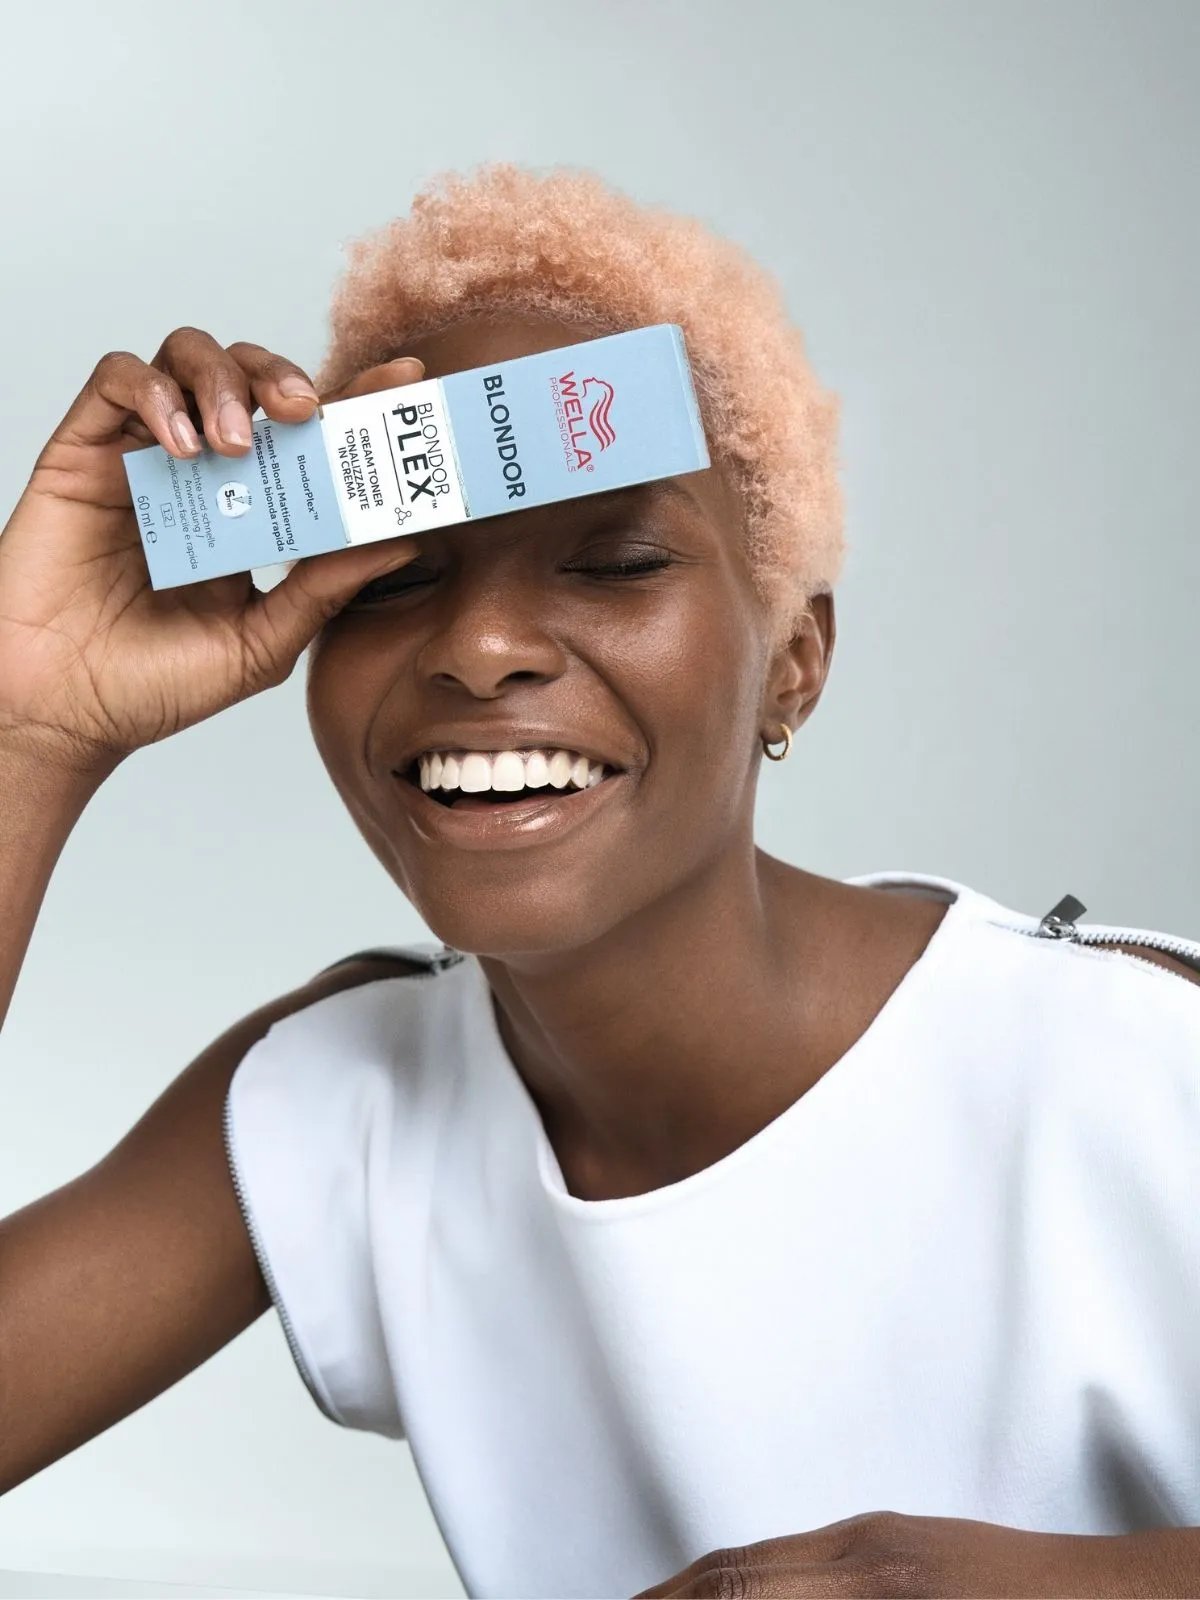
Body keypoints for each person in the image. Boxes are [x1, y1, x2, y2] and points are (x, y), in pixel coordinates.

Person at [1, 163, 1198, 1600]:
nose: (480, 647)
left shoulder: (1139, 1071)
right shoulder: (343, 1102)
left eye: (617, 560)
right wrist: (28, 727)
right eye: (391, 577)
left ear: (795, 662)